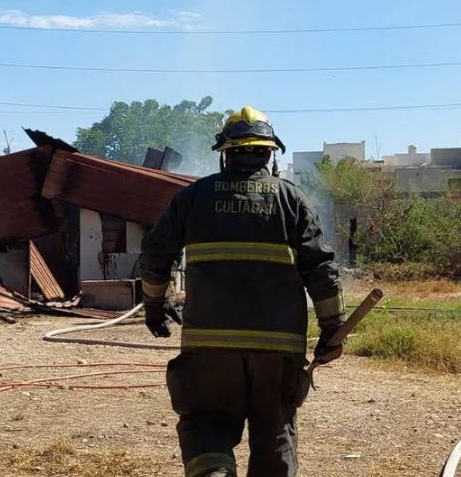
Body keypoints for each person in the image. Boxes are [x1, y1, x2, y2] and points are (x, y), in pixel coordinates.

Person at [139, 106, 345, 477]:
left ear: (225, 153)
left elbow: (155, 253)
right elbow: (322, 270)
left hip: (209, 348)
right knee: (275, 433)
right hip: (277, 350)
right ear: (269, 155)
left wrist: (154, 305)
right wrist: (333, 329)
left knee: (207, 425)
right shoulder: (292, 200)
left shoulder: (195, 196)